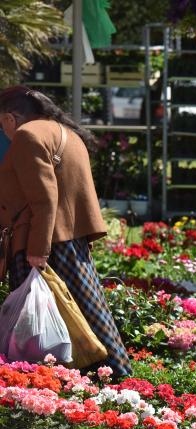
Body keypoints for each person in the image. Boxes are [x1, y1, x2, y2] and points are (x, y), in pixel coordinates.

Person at [0, 86, 132, 376]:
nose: (4, 131)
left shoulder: (27, 135)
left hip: (40, 240)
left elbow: (44, 198)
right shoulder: (67, 133)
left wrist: (38, 249)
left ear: (10, 118)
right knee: (88, 311)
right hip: (69, 240)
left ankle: (40, 380)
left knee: (33, 321)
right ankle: (115, 373)